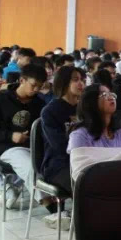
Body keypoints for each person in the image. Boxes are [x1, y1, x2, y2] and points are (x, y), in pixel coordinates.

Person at [0, 63, 48, 209]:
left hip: (32, 147)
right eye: (33, 85)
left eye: (40, 86)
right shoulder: (2, 99)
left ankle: (63, 202)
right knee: (30, 167)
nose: (36, 89)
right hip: (8, 148)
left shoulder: (39, 102)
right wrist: (10, 135)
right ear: (22, 80)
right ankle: (51, 207)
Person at [38, 65, 85, 228]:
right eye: (75, 80)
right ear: (63, 83)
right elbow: (59, 146)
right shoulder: (50, 111)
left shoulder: (85, 108)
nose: (81, 83)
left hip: (85, 160)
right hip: (59, 165)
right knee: (87, 183)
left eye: (82, 80)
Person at [68, 84, 121, 151]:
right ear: (91, 102)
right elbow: (78, 157)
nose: (111, 98)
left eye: (111, 94)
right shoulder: (80, 135)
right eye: (105, 95)